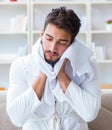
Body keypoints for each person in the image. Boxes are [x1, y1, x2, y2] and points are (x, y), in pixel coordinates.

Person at [6, 6, 101, 130]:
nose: (52, 48)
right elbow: (17, 118)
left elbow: (89, 114)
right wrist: (43, 73)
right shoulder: (21, 65)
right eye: (49, 38)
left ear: (72, 44)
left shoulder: (87, 64)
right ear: (42, 33)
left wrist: (61, 74)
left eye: (61, 42)